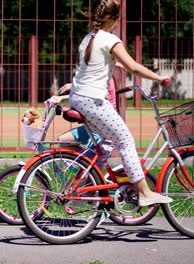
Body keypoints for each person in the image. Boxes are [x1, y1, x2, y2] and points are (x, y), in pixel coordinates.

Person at [67, 0, 172, 207]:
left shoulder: (89, 38)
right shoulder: (111, 40)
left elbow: (100, 64)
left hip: (78, 97)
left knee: (106, 142)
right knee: (125, 140)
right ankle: (144, 192)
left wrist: (118, 64)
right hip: (93, 100)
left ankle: (84, 189)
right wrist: (158, 78)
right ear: (115, 19)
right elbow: (133, 66)